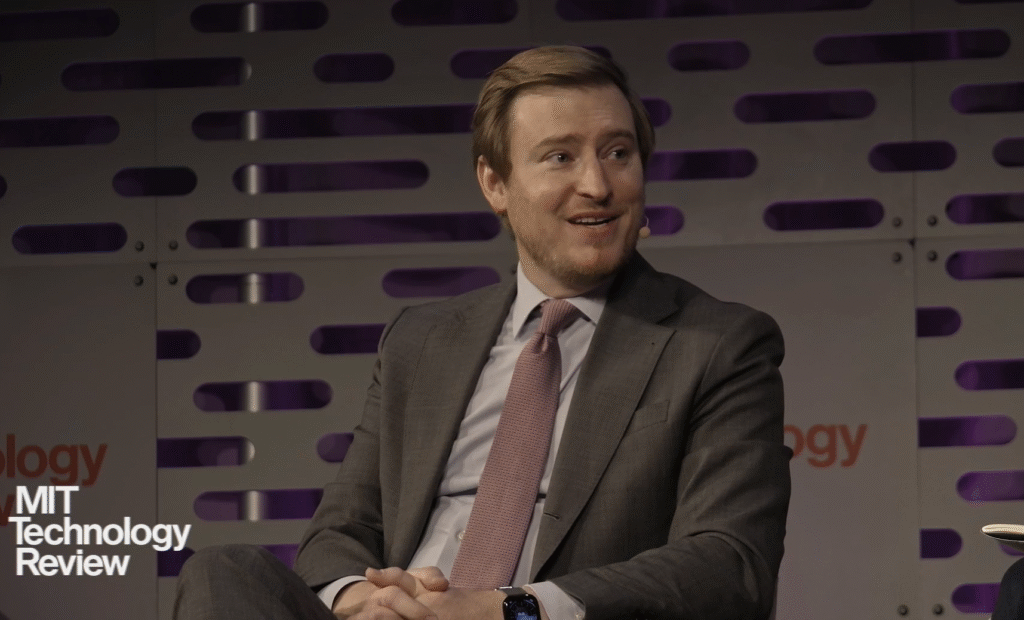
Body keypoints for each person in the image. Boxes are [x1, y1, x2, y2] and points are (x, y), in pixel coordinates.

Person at [174, 45, 791, 620]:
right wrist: (365, 600)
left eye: (617, 153)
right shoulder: (420, 341)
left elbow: (728, 565)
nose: (598, 185)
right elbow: (342, 531)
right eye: (560, 157)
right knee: (222, 572)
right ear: (495, 184)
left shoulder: (717, 344)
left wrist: (503, 610)